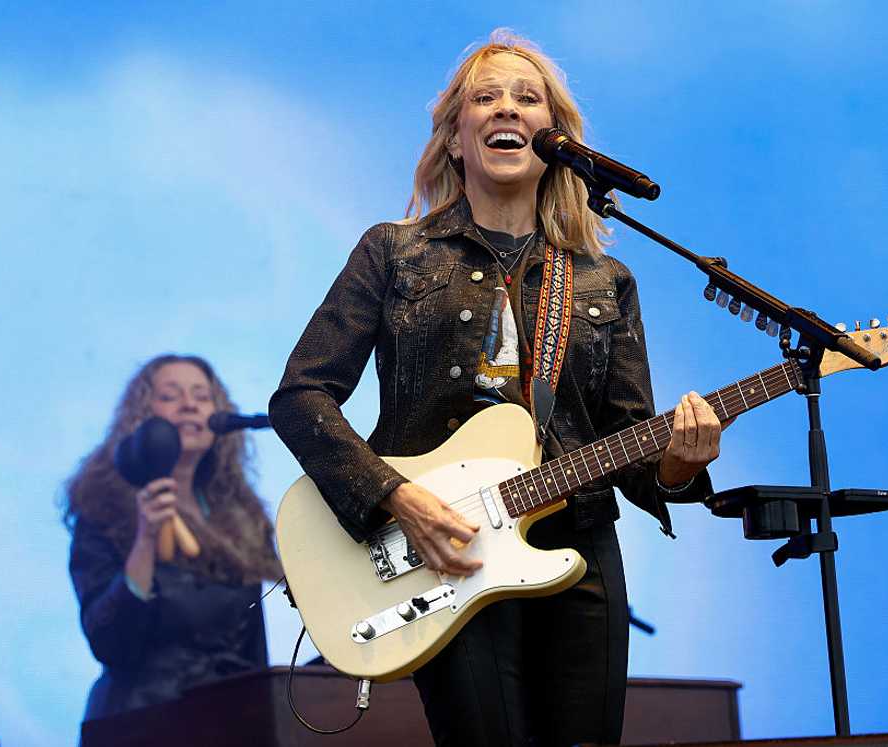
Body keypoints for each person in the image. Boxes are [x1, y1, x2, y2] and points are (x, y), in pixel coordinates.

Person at [270, 30, 729, 746]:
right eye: (484, 99)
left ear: (555, 138)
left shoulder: (603, 281)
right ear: (456, 139)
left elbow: (631, 446)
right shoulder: (394, 252)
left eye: (526, 98)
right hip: (444, 548)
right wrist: (394, 497)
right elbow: (300, 398)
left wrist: (679, 464)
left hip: (577, 551)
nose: (505, 109)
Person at [64, 354, 281, 724]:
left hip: (228, 718)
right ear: (141, 415)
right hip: (140, 719)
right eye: (170, 396)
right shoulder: (102, 507)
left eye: (201, 395)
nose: (189, 405)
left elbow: (252, 645)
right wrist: (146, 540)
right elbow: (110, 642)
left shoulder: (244, 517)